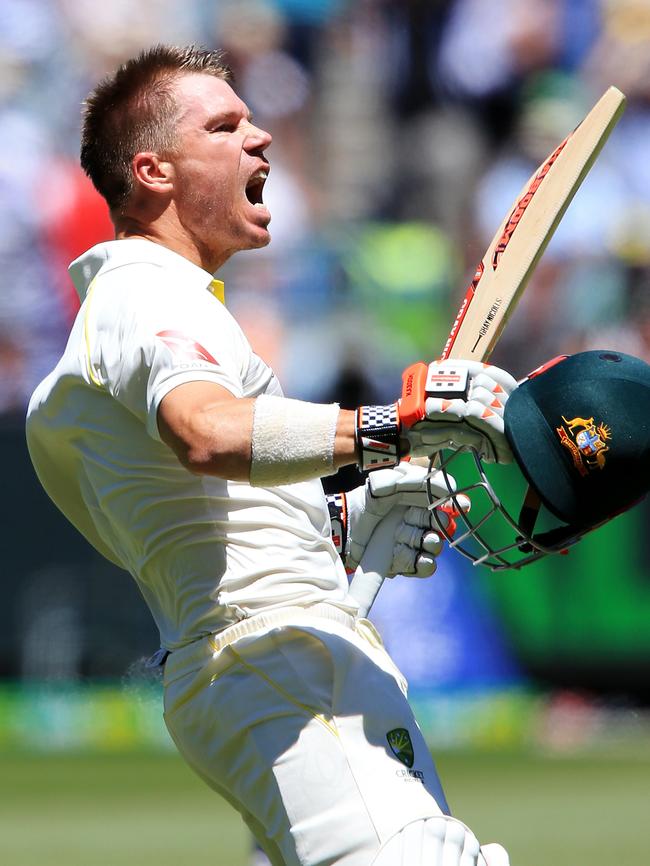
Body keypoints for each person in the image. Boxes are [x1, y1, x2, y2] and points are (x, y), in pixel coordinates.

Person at [25, 45, 515, 866]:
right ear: (154, 171)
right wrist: (387, 425)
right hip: (280, 659)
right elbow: (207, 434)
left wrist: (339, 519)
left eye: (252, 121)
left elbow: (195, 518)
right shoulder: (147, 290)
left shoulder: (134, 307)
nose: (262, 140)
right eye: (224, 126)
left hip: (261, 666)